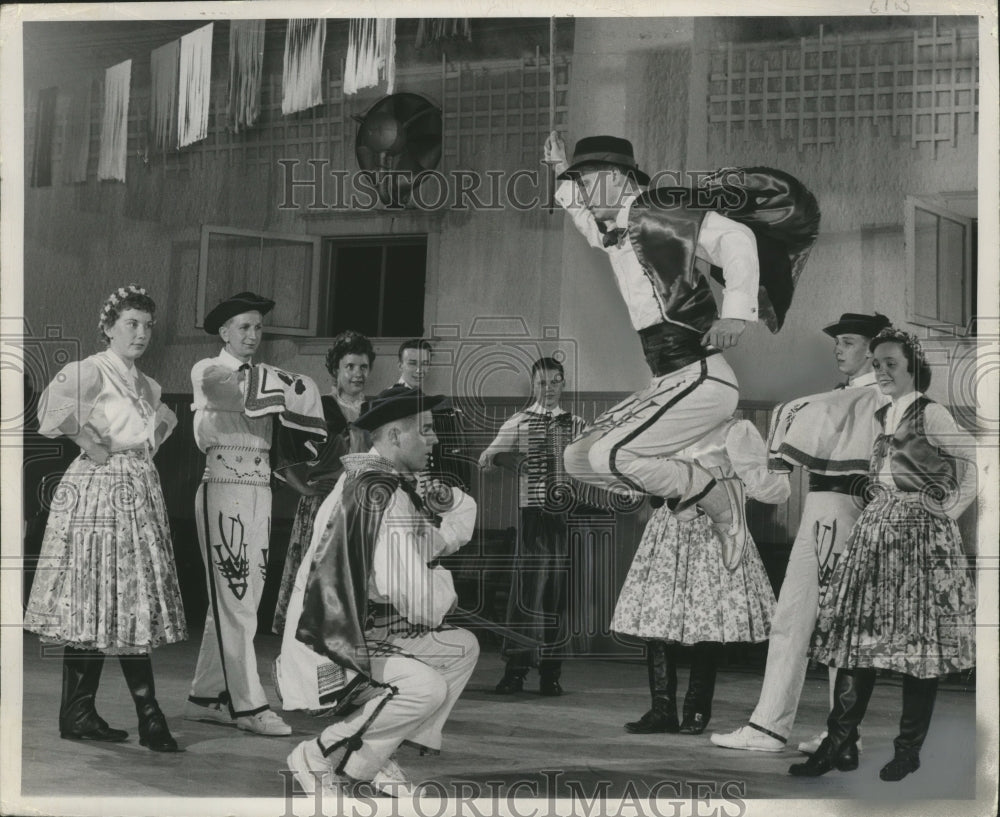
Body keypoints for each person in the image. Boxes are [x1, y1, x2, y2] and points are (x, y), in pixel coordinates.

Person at [546, 132, 820, 569]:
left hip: (700, 377)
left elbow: (735, 239)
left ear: (618, 178)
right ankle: (690, 482)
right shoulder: (618, 225)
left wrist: (736, 313)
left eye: (589, 181)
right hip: (667, 380)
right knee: (577, 458)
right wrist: (563, 172)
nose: (583, 192)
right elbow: (590, 227)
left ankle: (712, 495)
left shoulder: (657, 210)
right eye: (581, 183)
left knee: (610, 455)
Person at [790, 328, 977, 781]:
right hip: (875, 534)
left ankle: (907, 751)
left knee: (919, 645)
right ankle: (838, 745)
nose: (882, 371)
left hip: (920, 538)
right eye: (876, 364)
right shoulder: (881, 412)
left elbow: (973, 466)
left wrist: (945, 511)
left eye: (890, 363)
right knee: (859, 639)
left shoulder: (930, 413)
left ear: (913, 367)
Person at [279, 386, 479, 796]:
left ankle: (364, 763)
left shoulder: (380, 482)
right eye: (425, 431)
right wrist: (446, 596)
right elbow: (413, 593)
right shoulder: (378, 494)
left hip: (359, 630)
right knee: (425, 688)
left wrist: (451, 506)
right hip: (330, 641)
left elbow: (430, 544)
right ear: (393, 437)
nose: (435, 439)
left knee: (462, 647)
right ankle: (316, 754)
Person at [711, 312, 891, 757]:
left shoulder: (872, 397)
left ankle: (779, 728)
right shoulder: (846, 398)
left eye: (848, 342)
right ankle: (829, 732)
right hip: (827, 509)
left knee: (805, 621)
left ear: (872, 349)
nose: (839, 348)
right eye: (838, 342)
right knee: (816, 623)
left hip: (843, 511)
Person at [24, 284, 186, 752]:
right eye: (131, 324)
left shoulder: (148, 384)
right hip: (100, 494)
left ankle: (78, 713)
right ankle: (149, 716)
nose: (141, 333)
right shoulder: (92, 370)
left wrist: (138, 450)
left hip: (136, 490)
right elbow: (47, 411)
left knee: (112, 598)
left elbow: (157, 428)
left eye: (147, 325)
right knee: (101, 596)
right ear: (109, 328)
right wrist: (87, 441)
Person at [184, 291, 324, 737]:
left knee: (236, 601)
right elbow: (241, 396)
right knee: (238, 601)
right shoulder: (208, 370)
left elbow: (297, 406)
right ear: (224, 332)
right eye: (243, 327)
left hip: (260, 490)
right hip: (222, 488)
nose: (252, 335)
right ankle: (248, 705)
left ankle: (206, 696)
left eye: (258, 328)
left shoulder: (267, 380)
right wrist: (293, 388)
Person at [612, 417, 788, 736]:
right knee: (659, 617)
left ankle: (696, 709)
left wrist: (724, 497)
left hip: (713, 529)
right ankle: (662, 708)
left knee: (709, 619)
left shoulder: (736, 430)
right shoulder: (671, 425)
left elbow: (759, 484)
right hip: (669, 528)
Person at [477, 357, 589, 696]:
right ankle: (515, 671)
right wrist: (513, 460)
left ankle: (551, 674)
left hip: (565, 517)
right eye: (542, 382)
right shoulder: (519, 422)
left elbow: (594, 462)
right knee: (526, 597)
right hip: (532, 517)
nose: (549, 388)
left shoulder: (579, 423)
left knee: (559, 596)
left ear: (564, 384)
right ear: (533, 385)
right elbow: (486, 460)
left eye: (555, 381)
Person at [272, 330, 375, 636]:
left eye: (363, 367)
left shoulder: (376, 412)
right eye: (350, 367)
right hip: (321, 506)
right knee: (313, 580)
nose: (357, 374)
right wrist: (304, 489)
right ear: (336, 370)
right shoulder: (316, 407)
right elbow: (284, 453)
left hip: (360, 507)